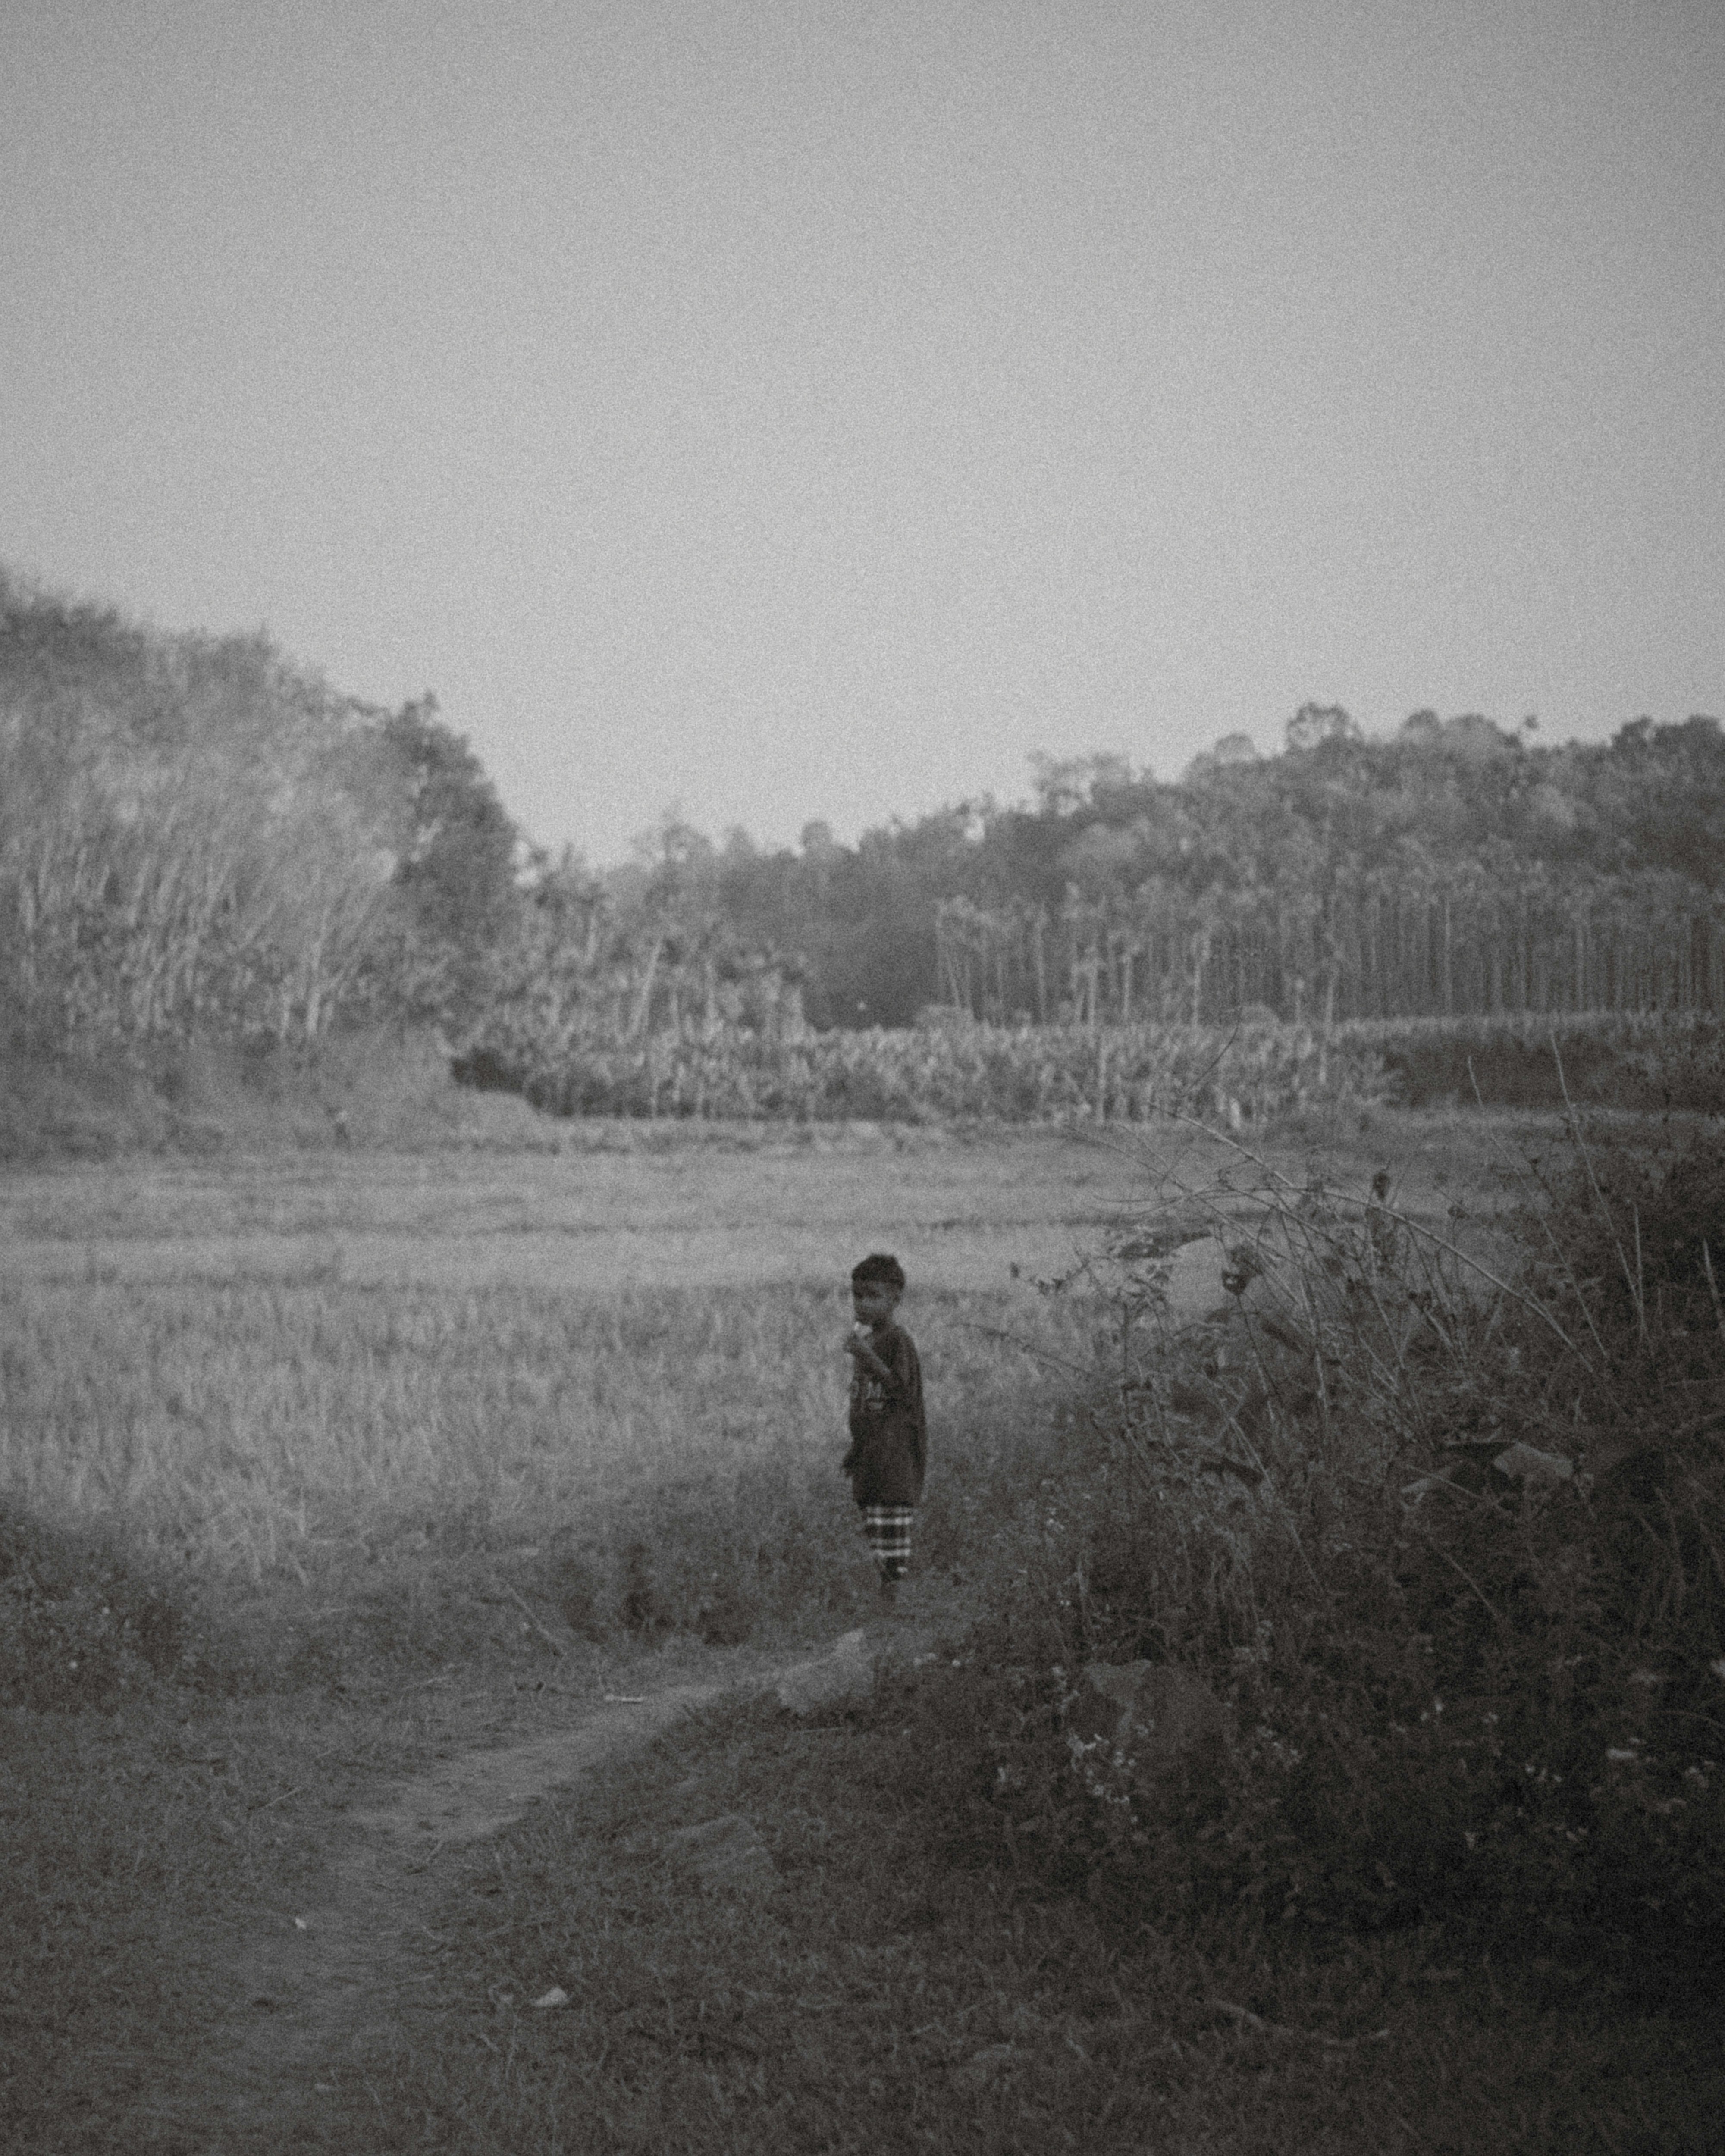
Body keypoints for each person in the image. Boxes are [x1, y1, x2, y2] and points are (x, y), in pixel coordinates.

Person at [840, 1252, 926, 1612]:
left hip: (895, 1449)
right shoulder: (873, 1340)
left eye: (873, 1296)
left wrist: (866, 1357)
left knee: (892, 1518)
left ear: (895, 1298)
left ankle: (894, 1595)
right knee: (873, 1520)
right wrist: (855, 1448)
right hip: (871, 1449)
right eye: (857, 1296)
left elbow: (902, 1392)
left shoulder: (896, 1340)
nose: (862, 1304)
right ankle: (885, 1594)